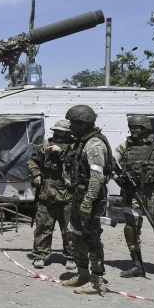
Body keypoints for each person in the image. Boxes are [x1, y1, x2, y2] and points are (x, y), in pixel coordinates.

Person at [112, 114, 154, 278]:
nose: (134, 131)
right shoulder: (124, 147)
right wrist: (117, 178)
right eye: (132, 127)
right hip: (131, 194)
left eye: (138, 128)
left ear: (146, 128)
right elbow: (111, 164)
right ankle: (137, 265)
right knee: (131, 229)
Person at [56, 105, 113, 295]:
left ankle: (97, 282)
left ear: (83, 123)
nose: (70, 126)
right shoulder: (80, 142)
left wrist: (88, 202)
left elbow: (97, 177)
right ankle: (83, 274)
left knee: (92, 238)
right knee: (76, 236)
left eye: (73, 123)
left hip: (91, 200)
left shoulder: (94, 144)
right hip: (78, 196)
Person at [27, 120, 75, 270]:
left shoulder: (76, 146)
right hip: (47, 193)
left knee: (69, 228)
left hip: (68, 194)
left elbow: (79, 163)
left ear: (68, 133)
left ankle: (71, 257)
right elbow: (31, 161)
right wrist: (36, 174)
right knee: (43, 226)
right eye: (55, 130)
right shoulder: (45, 144)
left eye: (60, 131)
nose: (56, 133)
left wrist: (62, 151)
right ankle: (40, 255)